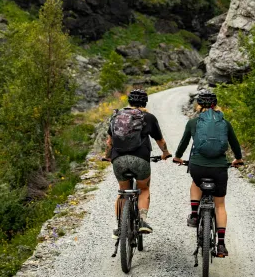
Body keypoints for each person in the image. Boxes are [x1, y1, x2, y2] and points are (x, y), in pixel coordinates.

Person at [173, 89, 243, 258]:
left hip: (198, 166)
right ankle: (220, 244)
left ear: (199, 105)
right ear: (215, 104)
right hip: (219, 168)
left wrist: (177, 157)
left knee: (196, 183)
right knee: (219, 205)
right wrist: (238, 160)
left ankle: (195, 215)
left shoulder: (193, 123)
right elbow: (235, 145)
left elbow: (183, 143)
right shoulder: (225, 123)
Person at [104, 89, 170, 237]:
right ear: (145, 102)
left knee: (122, 192)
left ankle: (121, 226)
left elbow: (109, 142)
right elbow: (160, 141)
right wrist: (165, 153)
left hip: (119, 160)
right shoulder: (149, 117)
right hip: (140, 160)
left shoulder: (116, 117)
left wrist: (108, 156)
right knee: (144, 189)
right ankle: (142, 221)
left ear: (129, 101)